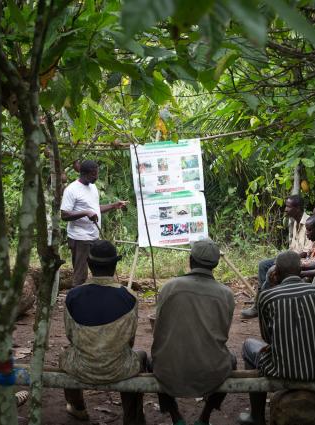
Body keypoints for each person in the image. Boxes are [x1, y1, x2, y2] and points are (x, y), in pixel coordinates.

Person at [239, 250, 315, 425]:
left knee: (248, 345)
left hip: (281, 371)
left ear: (276, 273)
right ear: (301, 270)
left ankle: (256, 417)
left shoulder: (267, 296)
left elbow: (267, 338)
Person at [59, 240, 146, 424]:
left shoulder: (73, 295)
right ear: (115, 265)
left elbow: (71, 336)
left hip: (81, 367)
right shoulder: (129, 297)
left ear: (89, 265)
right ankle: (132, 419)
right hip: (120, 369)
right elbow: (129, 340)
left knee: (65, 354)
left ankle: (78, 408)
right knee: (141, 356)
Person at [151, 238, 235, 425]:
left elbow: (158, 328)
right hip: (211, 372)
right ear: (216, 264)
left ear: (190, 260)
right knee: (233, 360)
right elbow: (222, 334)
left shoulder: (169, 287)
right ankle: (204, 418)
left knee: (154, 361)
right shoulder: (226, 294)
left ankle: (176, 417)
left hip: (168, 370)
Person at [242, 194, 312, 319]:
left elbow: (306, 252)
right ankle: (264, 301)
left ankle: (260, 305)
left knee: (271, 270)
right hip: (291, 257)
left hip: (297, 261)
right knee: (263, 264)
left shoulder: (309, 223)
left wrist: (284, 260)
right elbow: (293, 248)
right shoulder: (294, 223)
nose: (285, 209)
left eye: (288, 207)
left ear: (298, 208)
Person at [60, 160, 128, 287]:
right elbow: (64, 215)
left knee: (100, 271)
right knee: (80, 275)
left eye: (96, 173)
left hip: (93, 236)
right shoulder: (71, 190)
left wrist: (114, 205)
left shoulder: (93, 187)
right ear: (84, 173)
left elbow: (95, 209)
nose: (96, 177)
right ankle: (76, 301)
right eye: (93, 174)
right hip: (80, 238)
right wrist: (85, 213)